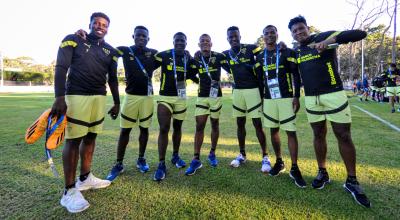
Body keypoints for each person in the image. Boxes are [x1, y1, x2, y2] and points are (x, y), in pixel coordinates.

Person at [288, 15, 370, 207]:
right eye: (294, 31)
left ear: (307, 28)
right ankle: (322, 172)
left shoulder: (324, 37)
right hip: (311, 98)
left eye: (301, 28)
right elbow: (296, 75)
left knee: (343, 135)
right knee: (318, 134)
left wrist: (328, 41)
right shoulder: (297, 51)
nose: (298, 32)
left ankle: (351, 180)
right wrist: (295, 95)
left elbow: (360, 33)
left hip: (334, 94)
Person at [52, 12, 120, 213]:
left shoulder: (111, 51)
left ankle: (85, 178)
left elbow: (113, 79)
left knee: (91, 137)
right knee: (73, 141)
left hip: (99, 97)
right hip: (76, 96)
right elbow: (61, 67)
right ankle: (69, 191)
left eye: (104, 24)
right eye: (96, 23)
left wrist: (116, 102)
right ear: (90, 24)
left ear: (108, 28)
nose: (100, 26)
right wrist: (59, 97)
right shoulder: (73, 40)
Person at [102, 26, 160, 181]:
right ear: (133, 36)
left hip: (147, 98)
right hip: (131, 97)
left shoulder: (154, 53)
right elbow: (107, 49)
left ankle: (141, 158)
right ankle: (119, 163)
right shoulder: (125, 50)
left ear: (148, 38)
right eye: (139, 35)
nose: (141, 38)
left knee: (144, 129)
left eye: (144, 36)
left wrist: (188, 53)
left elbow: (169, 57)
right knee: (125, 131)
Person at [254, 25, 306, 188]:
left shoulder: (286, 52)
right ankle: (279, 162)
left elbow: (296, 75)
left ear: (277, 34)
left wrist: (296, 95)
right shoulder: (260, 56)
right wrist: (262, 98)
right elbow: (260, 79)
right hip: (269, 99)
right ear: (263, 37)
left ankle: (295, 168)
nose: (270, 35)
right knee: (273, 130)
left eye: (272, 33)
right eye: (266, 33)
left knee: (290, 132)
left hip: (286, 98)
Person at [222, 26, 271, 172]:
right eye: (230, 37)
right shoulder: (226, 54)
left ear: (240, 36)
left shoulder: (251, 48)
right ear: (227, 39)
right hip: (237, 91)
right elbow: (211, 58)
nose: (233, 39)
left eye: (235, 36)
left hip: (253, 90)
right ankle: (242, 154)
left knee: (257, 124)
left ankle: (265, 156)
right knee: (240, 123)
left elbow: (266, 53)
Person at [153, 32, 199, 181]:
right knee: (164, 128)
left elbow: (193, 73)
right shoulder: (164, 55)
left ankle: (175, 156)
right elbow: (148, 64)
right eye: (177, 40)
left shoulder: (187, 58)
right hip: (165, 97)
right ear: (173, 41)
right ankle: (161, 163)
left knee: (178, 128)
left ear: (186, 42)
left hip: (181, 97)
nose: (180, 42)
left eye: (182, 40)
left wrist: (193, 58)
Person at [185, 34, 228, 175]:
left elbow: (231, 64)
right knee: (199, 126)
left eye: (207, 41)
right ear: (198, 44)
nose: (205, 43)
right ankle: (196, 158)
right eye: (202, 41)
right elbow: (189, 74)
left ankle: (212, 153)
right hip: (202, 97)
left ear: (211, 43)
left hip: (216, 97)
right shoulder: (196, 59)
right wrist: (198, 82)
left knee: (215, 124)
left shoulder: (219, 56)